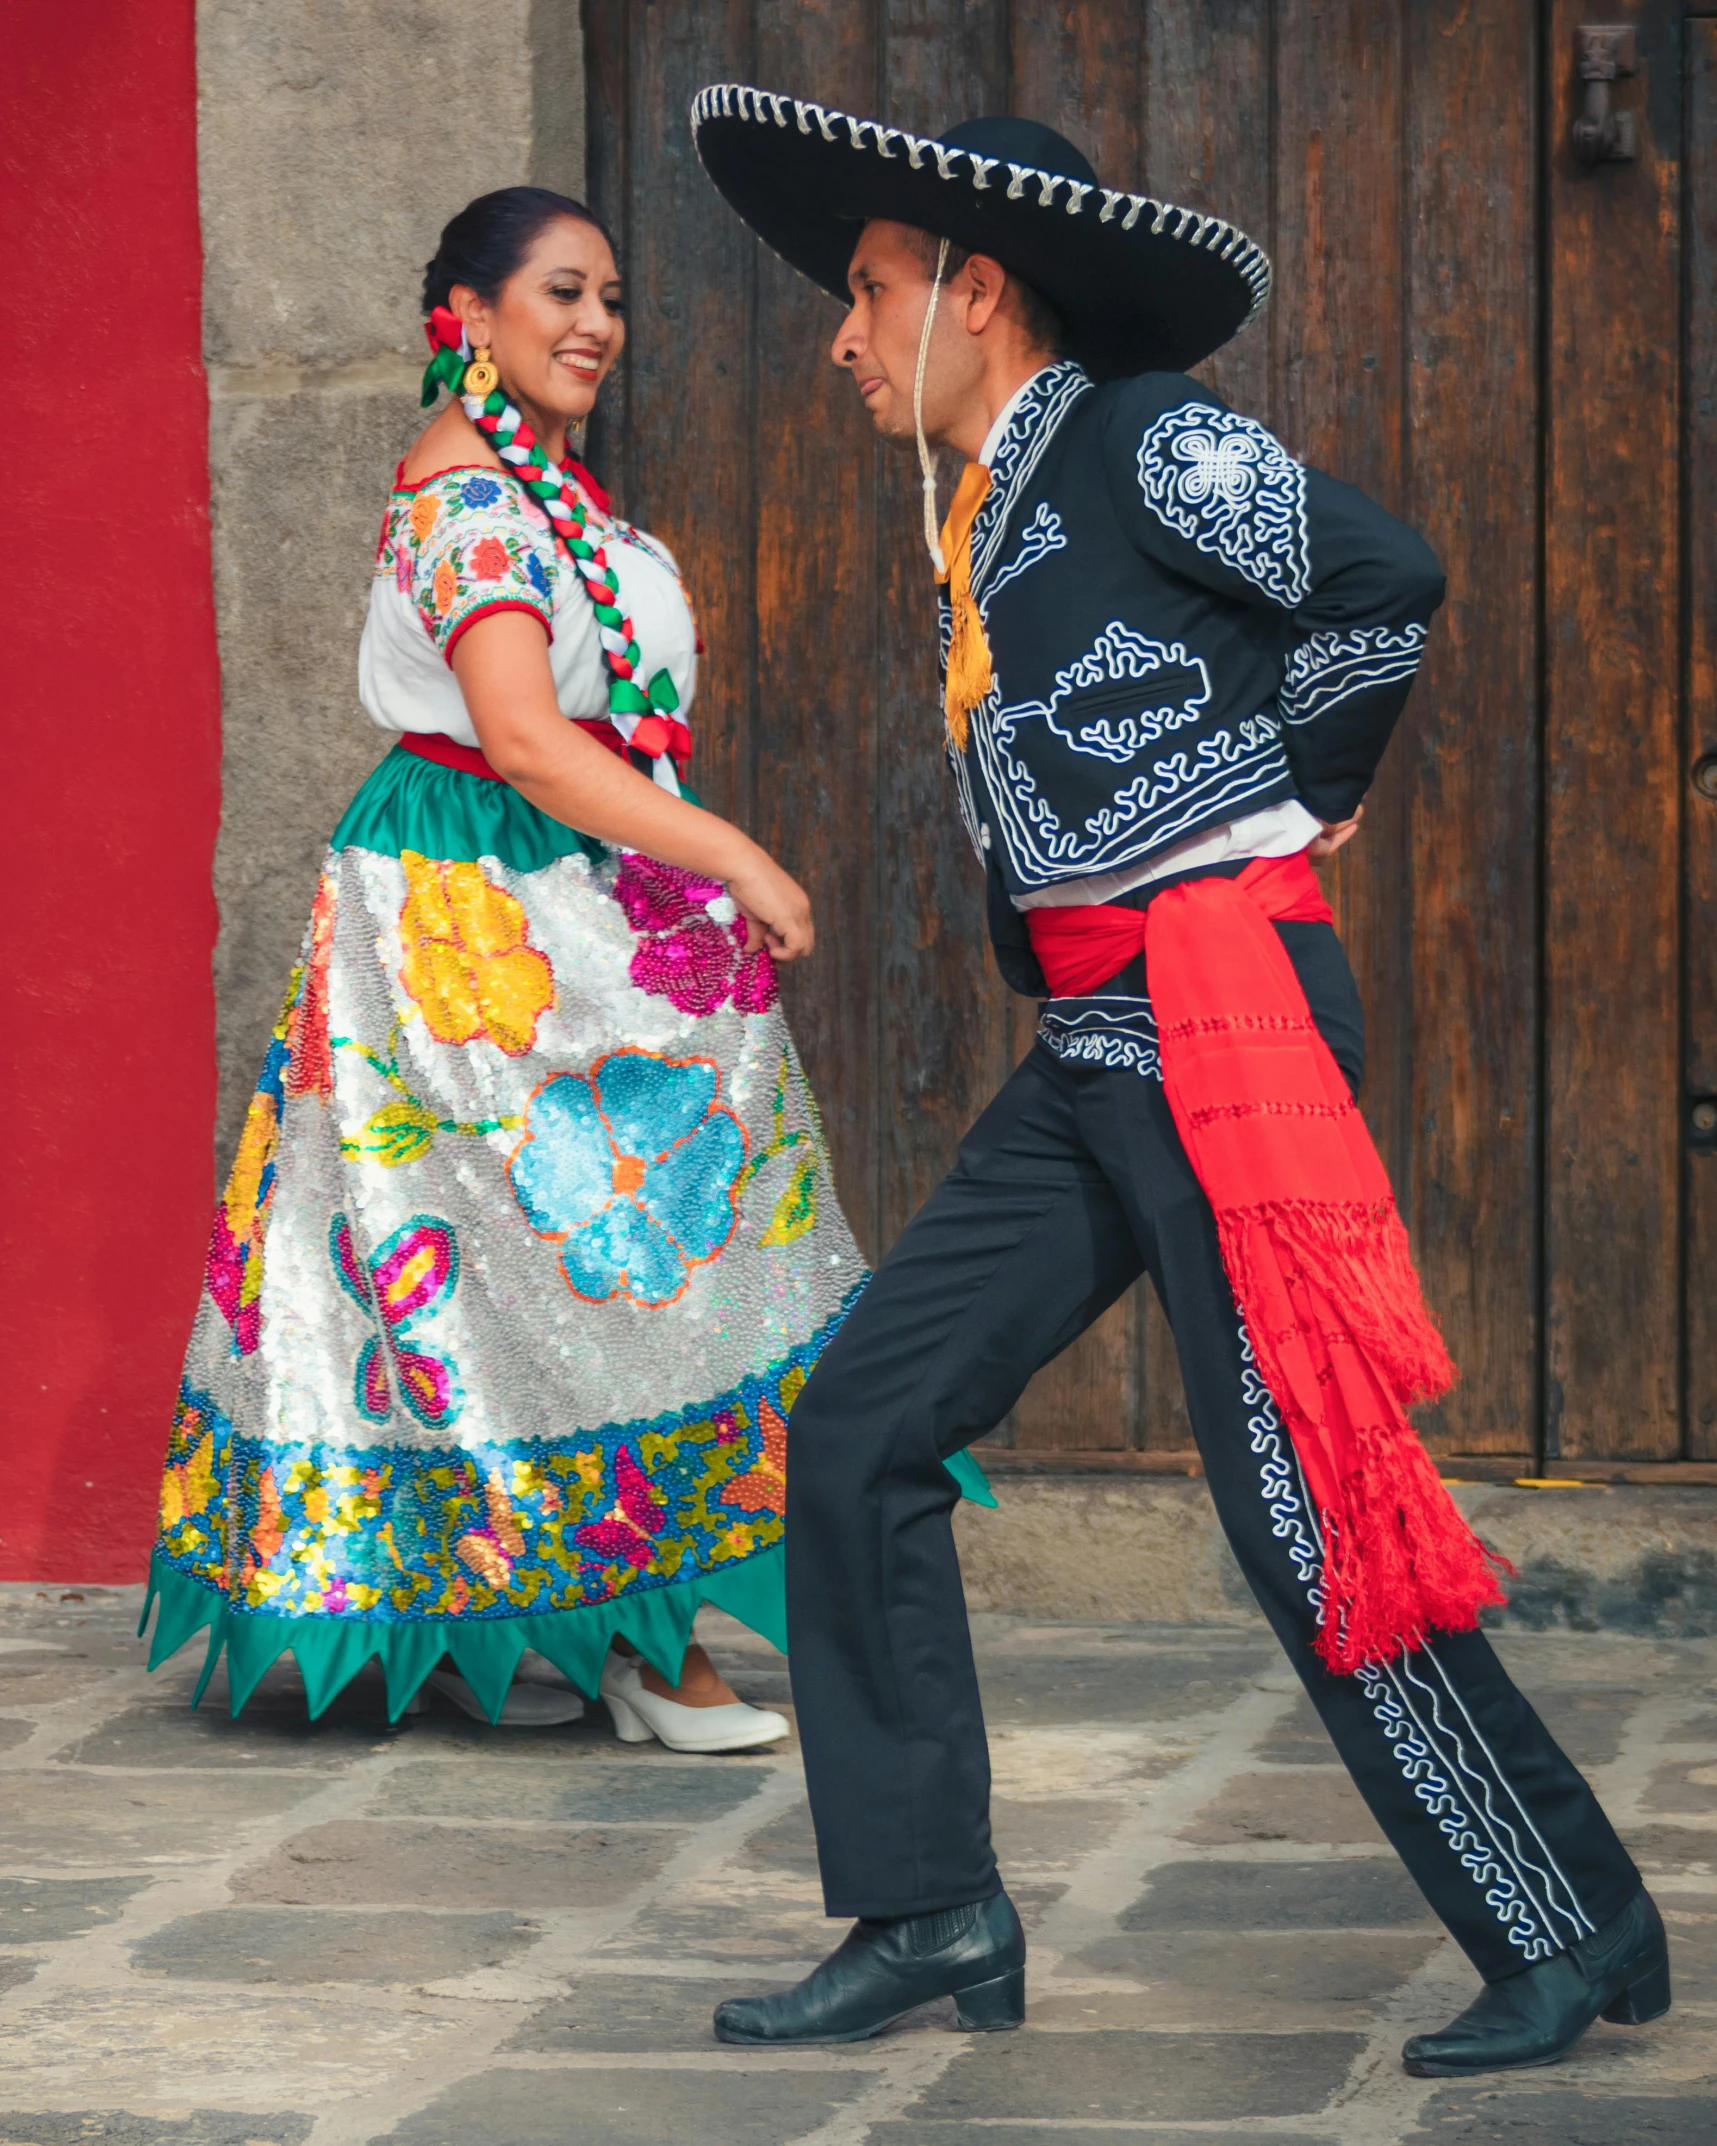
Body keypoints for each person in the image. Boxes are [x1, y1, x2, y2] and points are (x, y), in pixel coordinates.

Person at [691, 90, 1668, 2071]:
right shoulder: (978, 514)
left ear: (979, 293)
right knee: (866, 1417)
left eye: (870, 293)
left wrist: (1288, 790)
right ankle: (931, 1898)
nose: (843, 335)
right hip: (1095, 1045)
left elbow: (1380, 577)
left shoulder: (1148, 440)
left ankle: (1561, 1922)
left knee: (1305, 1506)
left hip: (1226, 1018)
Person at [145, 184, 993, 1746]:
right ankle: (641, 1635)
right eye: (559, 292)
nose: (597, 322)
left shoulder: (547, 489)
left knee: (576, 1251)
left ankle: (577, 1619)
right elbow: (527, 739)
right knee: (557, 1255)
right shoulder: (468, 501)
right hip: (480, 919)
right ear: (465, 319)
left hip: (564, 899)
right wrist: (732, 852)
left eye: (610, 296)